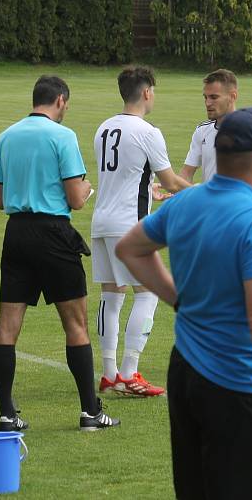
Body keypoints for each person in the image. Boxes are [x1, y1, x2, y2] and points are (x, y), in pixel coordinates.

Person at [116, 107, 252, 499]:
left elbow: (131, 248)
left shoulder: (184, 203)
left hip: (187, 373)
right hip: (240, 384)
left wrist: (179, 300)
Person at [0, 75, 120, 432]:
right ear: (60, 101)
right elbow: (77, 199)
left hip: (16, 232)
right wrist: (88, 187)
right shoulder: (63, 136)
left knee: (7, 326)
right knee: (75, 325)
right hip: (53, 233)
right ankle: (91, 412)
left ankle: (7, 413)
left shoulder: (7, 135)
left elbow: (1, 200)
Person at [91, 66, 190, 397]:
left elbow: (133, 176)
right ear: (147, 92)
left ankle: (108, 373)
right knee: (147, 294)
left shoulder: (104, 128)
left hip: (101, 222)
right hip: (129, 226)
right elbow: (172, 180)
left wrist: (152, 189)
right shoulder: (148, 132)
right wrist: (205, 195)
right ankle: (130, 372)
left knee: (111, 294)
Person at [179, 68, 239, 184]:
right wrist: (175, 189)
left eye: (214, 97)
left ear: (233, 96)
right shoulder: (202, 130)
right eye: (205, 97)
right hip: (209, 202)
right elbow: (186, 174)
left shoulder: (249, 130)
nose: (207, 103)